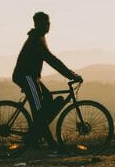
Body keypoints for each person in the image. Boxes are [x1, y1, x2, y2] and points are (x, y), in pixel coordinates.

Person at [12, 11, 82, 154]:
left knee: (48, 98)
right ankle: (50, 144)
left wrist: (70, 74)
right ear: (39, 24)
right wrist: (71, 75)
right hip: (26, 78)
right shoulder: (36, 40)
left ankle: (36, 134)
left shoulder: (39, 37)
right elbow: (51, 60)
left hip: (32, 78)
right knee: (39, 112)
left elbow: (51, 59)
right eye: (46, 23)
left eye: (49, 23)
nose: (49, 25)